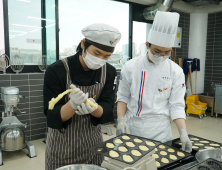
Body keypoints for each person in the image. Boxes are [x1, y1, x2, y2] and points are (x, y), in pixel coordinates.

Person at [44, 23, 121, 170]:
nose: (100, 59)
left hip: (93, 146)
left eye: (106, 56)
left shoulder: (109, 72)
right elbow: (51, 115)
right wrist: (72, 105)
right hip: (62, 149)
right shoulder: (57, 71)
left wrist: (93, 108)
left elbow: (107, 108)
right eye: (97, 53)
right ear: (83, 43)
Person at [116, 11, 192, 153]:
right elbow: (123, 97)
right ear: (147, 45)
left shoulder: (175, 71)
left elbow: (176, 105)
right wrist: (121, 119)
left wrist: (183, 132)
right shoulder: (131, 67)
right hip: (133, 127)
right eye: (157, 51)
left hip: (160, 131)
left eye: (167, 52)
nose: (161, 56)